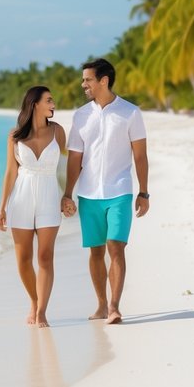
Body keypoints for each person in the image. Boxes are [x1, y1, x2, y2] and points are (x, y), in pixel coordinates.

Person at [61, 59, 149, 324]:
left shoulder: (130, 113)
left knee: (115, 247)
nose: (83, 84)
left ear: (103, 81)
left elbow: (141, 156)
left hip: (119, 190)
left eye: (87, 79)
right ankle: (100, 305)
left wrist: (143, 192)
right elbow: (74, 158)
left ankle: (114, 306)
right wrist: (67, 193)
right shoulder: (80, 115)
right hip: (88, 194)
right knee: (96, 251)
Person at [0, 86, 66, 328]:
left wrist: (67, 197)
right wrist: (2, 207)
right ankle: (34, 302)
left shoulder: (58, 132)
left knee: (45, 256)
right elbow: (10, 172)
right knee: (24, 259)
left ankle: (42, 312)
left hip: (48, 196)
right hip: (21, 199)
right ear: (35, 104)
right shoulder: (15, 135)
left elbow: (64, 169)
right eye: (49, 100)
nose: (53, 104)